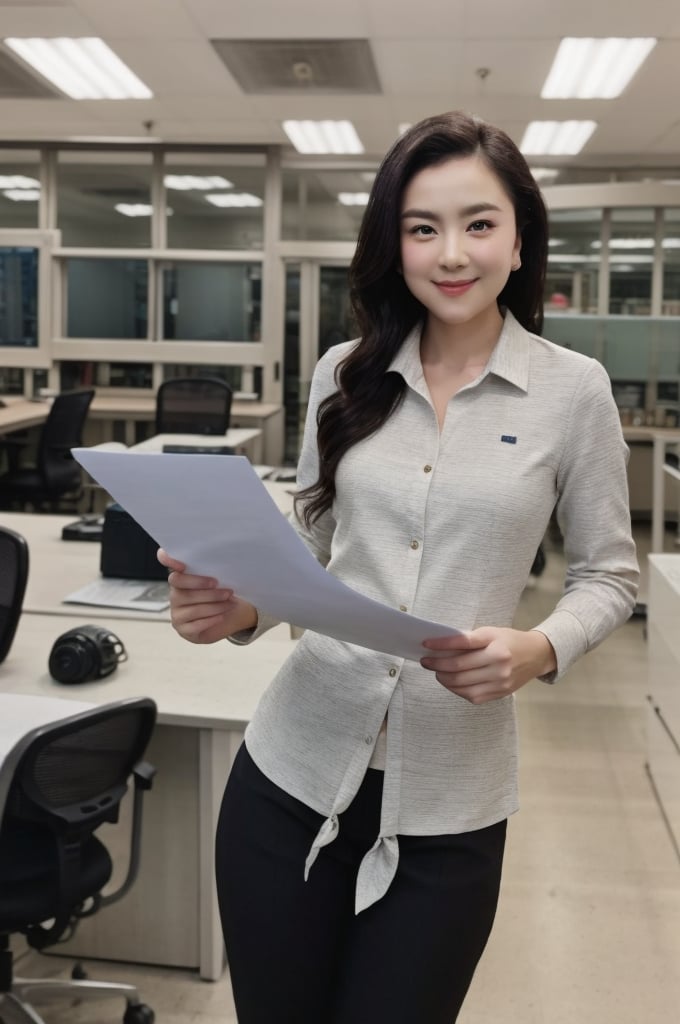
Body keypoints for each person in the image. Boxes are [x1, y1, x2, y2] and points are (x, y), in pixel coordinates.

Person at [158, 111, 639, 1024]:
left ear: (520, 235)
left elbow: (610, 574)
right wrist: (239, 609)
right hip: (288, 778)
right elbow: (312, 547)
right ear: (395, 243)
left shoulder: (573, 392)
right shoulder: (346, 373)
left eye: (479, 223)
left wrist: (539, 648)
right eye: (423, 228)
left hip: (449, 808)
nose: (451, 253)